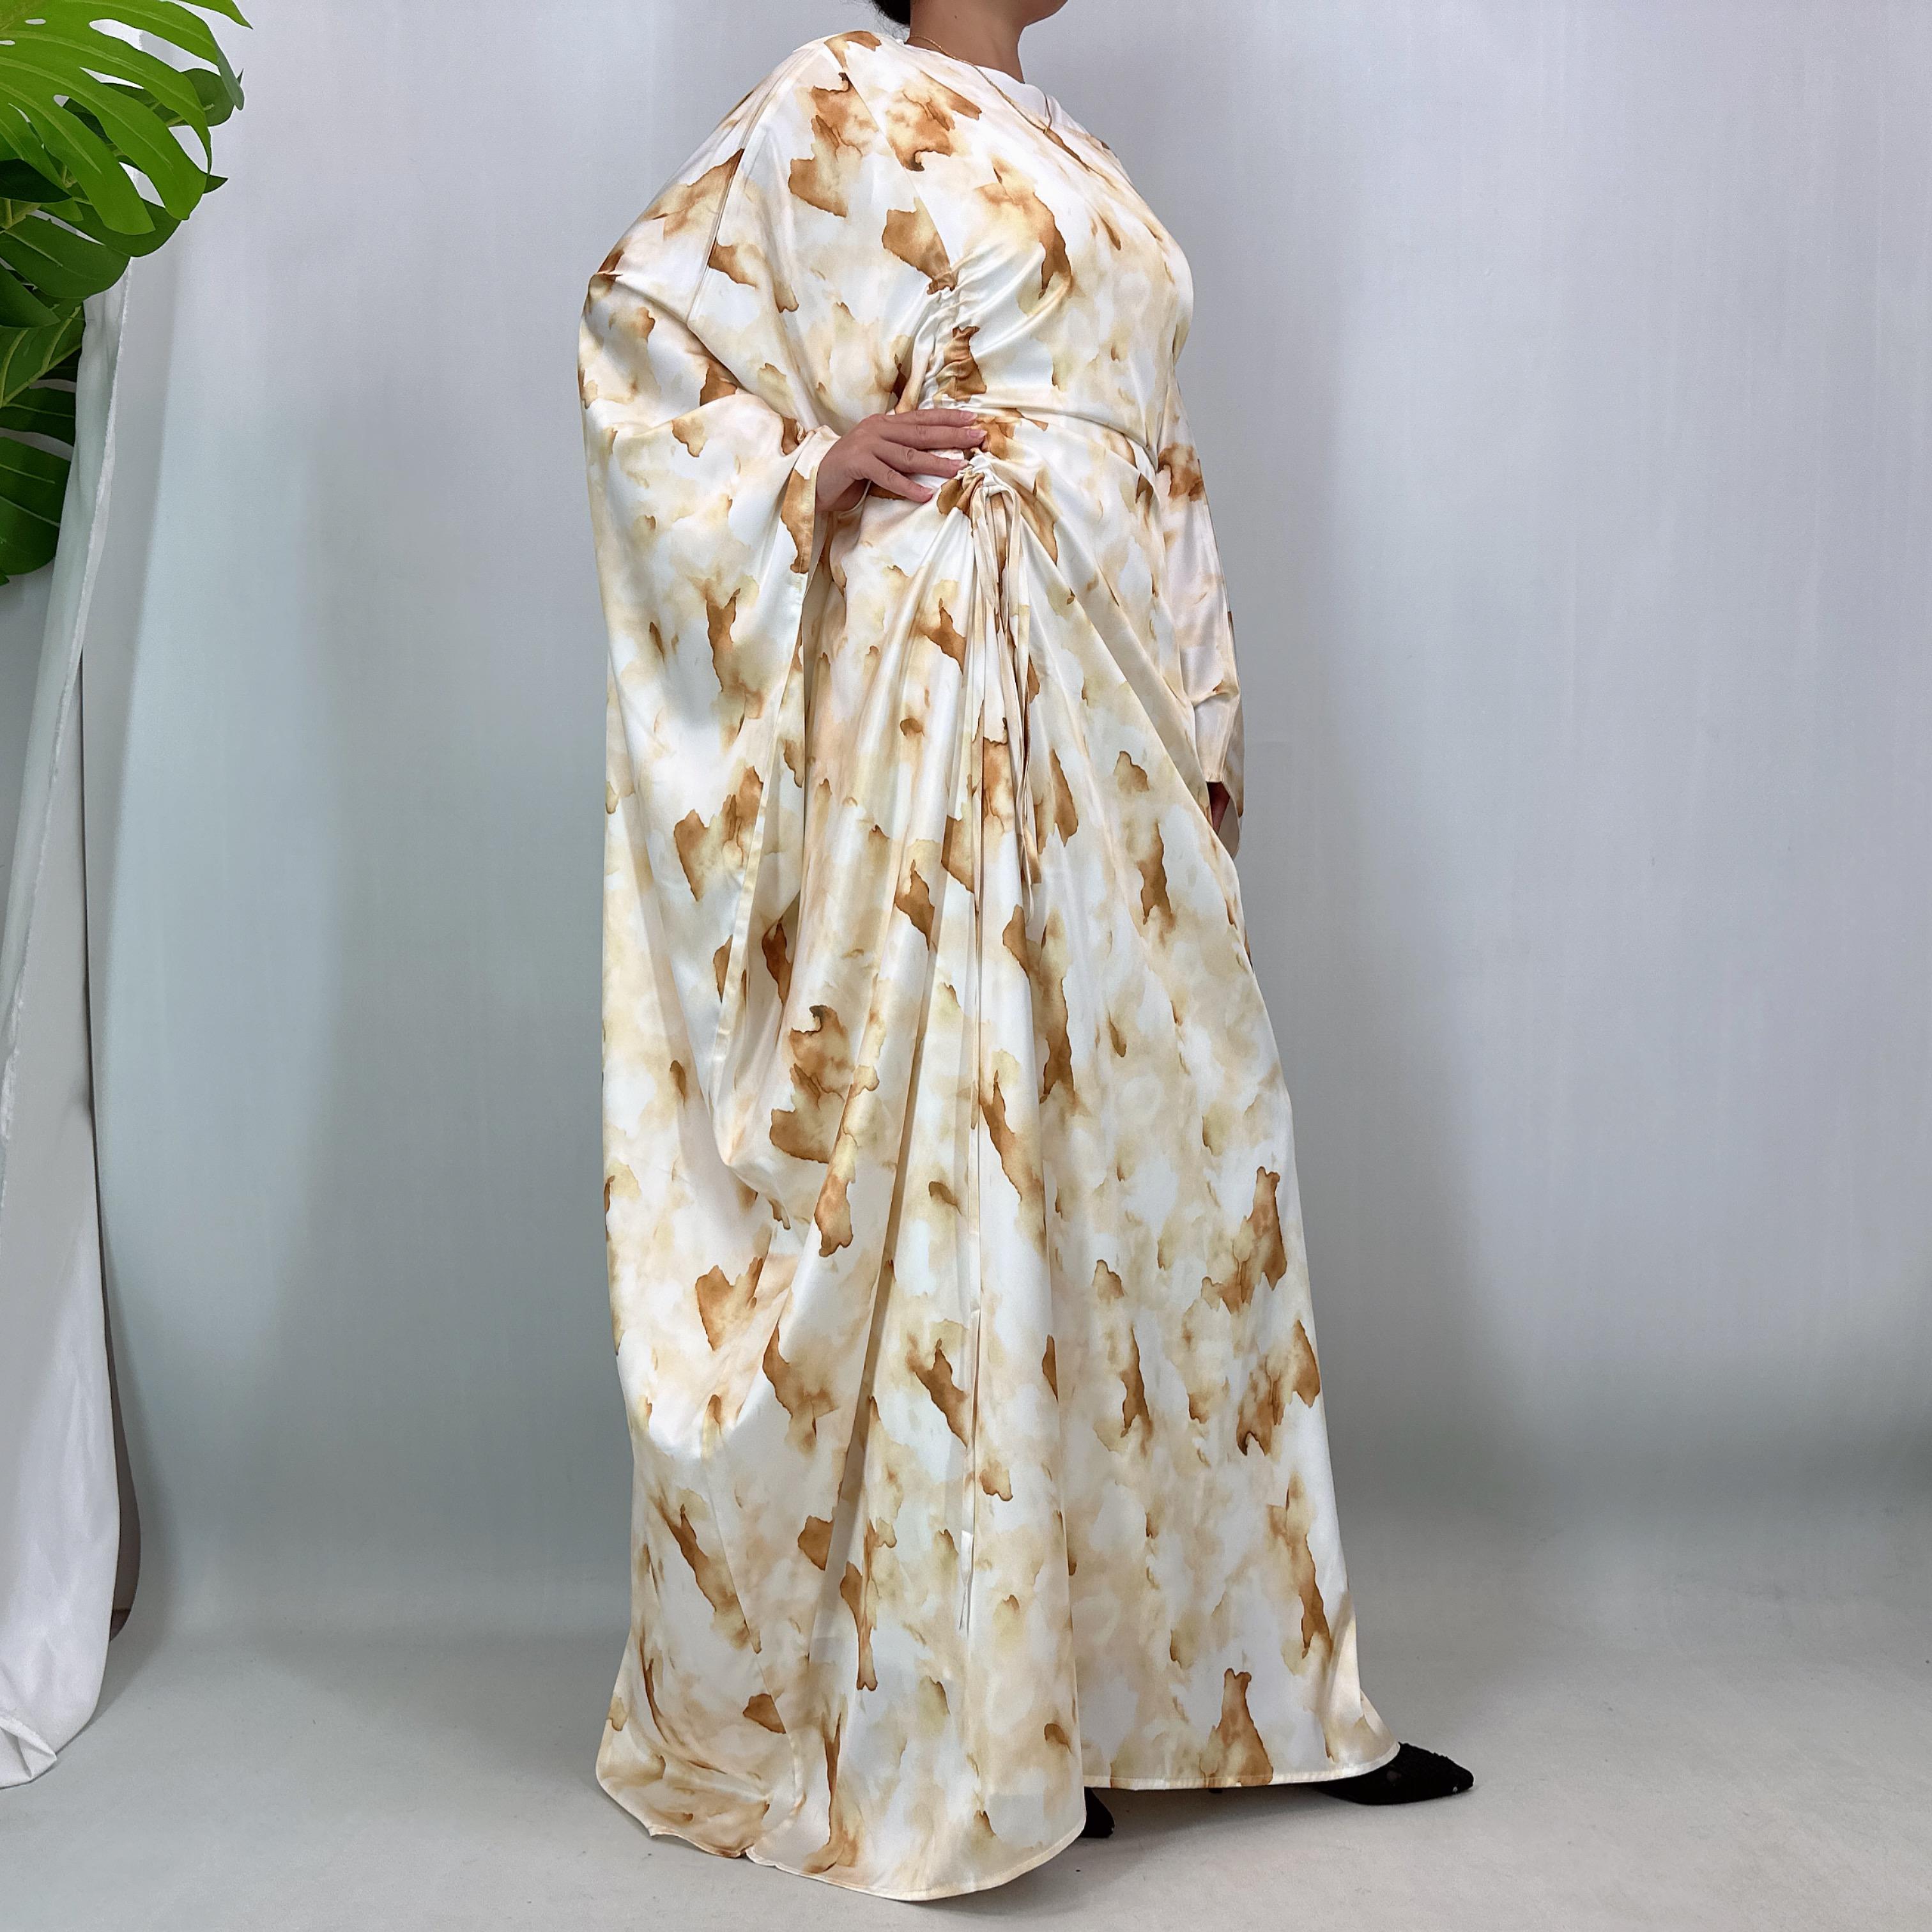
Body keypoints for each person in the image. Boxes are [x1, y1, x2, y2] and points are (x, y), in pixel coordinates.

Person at [578, 0, 1471, 1901]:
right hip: (953, 677)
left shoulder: (1087, 155)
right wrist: (806, 468)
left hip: (1116, 684)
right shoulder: (836, 98)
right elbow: (642, 336)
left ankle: (1232, 1696)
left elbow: (1163, 461)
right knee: (973, 1149)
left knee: (1177, 1156)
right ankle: (986, 1714)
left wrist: (1206, 709)